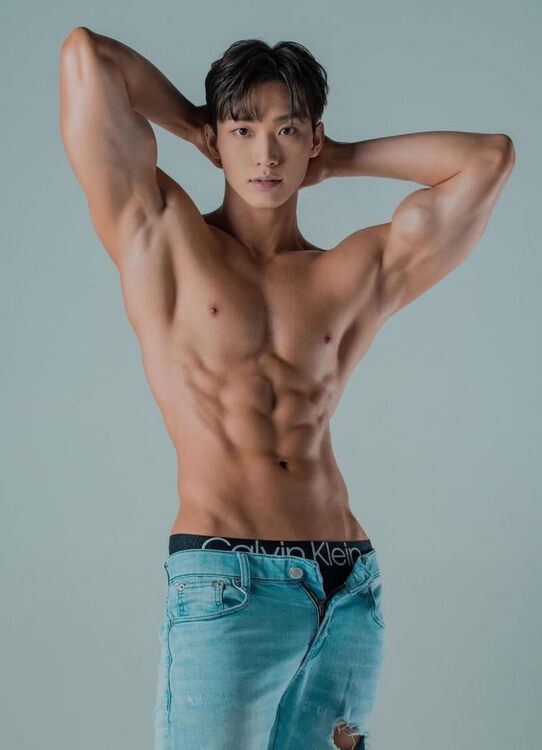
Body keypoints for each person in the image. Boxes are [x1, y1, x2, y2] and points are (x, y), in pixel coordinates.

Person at [59, 27, 515, 750]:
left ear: (312, 138)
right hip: (228, 580)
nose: (265, 156)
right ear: (218, 139)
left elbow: (488, 160)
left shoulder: (351, 271)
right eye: (244, 131)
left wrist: (341, 160)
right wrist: (197, 125)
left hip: (347, 589)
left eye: (287, 131)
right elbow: (88, 57)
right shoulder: (162, 235)